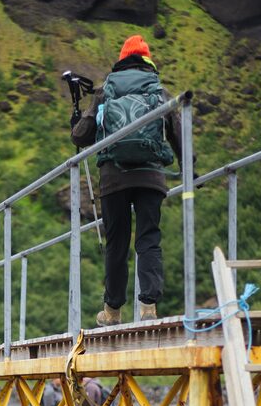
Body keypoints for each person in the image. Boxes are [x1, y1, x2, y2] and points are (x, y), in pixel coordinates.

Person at [72, 34, 183, 326]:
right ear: (147, 60)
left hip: (114, 178)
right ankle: (148, 307)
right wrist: (190, 170)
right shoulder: (159, 91)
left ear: (122, 60)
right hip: (150, 176)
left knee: (116, 243)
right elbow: (178, 133)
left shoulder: (105, 91)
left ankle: (112, 312)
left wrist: (78, 121)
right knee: (149, 237)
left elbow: (81, 137)